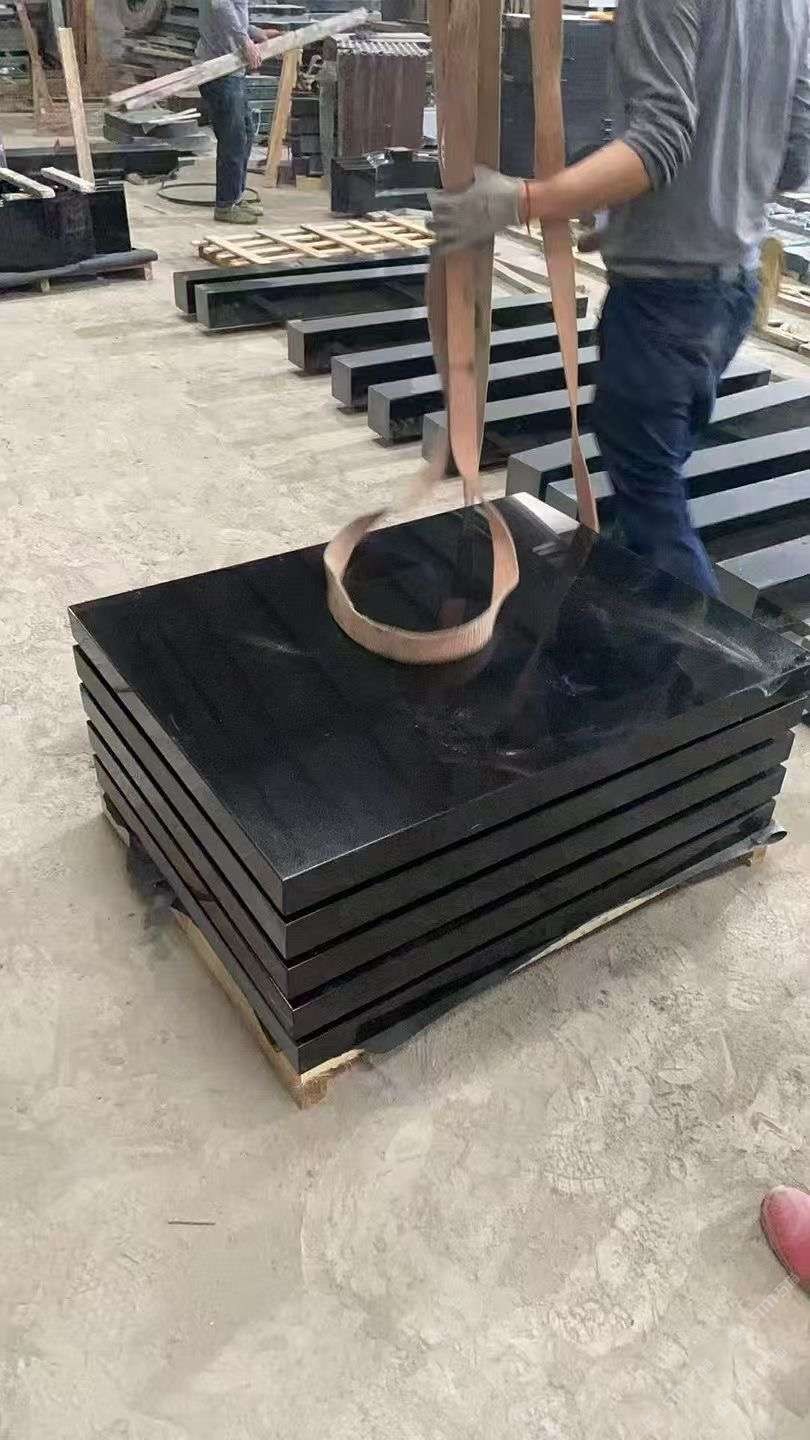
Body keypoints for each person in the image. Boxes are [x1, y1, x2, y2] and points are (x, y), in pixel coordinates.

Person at [430, 0, 810, 599]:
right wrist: (651, 213)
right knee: (651, 477)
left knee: (652, 502)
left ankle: (699, 648)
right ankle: (639, 622)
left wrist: (521, 200)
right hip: (732, 287)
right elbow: (793, 153)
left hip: (665, 301)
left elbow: (661, 141)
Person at [197, 0, 278, 224]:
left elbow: (231, 15)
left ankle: (235, 198)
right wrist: (245, 41)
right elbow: (221, 7)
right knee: (233, 139)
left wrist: (256, 33)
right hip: (219, 70)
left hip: (232, 70)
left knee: (245, 134)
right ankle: (225, 205)